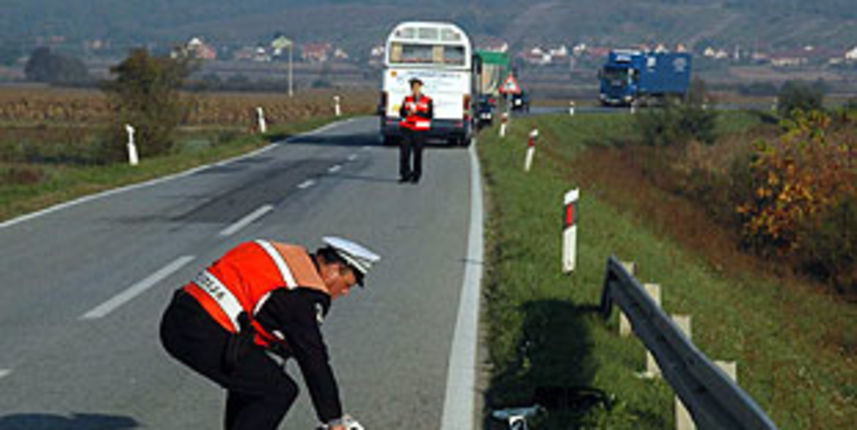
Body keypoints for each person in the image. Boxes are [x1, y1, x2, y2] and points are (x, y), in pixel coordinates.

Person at [160, 236, 380, 430]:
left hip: (181, 312)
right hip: (198, 330)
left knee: (255, 380)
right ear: (334, 268)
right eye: (346, 284)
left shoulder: (284, 254)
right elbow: (313, 358)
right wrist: (334, 420)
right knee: (277, 392)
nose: (344, 292)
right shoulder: (303, 293)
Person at [398, 77, 433, 184]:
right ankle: (405, 175)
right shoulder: (407, 99)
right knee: (405, 152)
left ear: (420, 88)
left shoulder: (427, 100)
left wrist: (417, 112)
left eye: (417, 87)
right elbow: (402, 112)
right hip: (407, 128)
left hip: (420, 130)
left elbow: (429, 115)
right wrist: (407, 112)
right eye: (413, 87)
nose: (415, 89)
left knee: (418, 153)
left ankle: (416, 175)